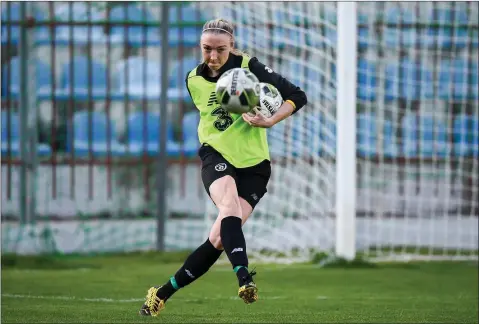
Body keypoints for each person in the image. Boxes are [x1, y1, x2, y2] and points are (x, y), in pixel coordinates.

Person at [139, 18, 307, 316]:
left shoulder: (250, 67)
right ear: (200, 47)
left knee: (218, 238)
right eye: (207, 49)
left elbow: (297, 96)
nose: (213, 56)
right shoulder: (193, 79)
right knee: (228, 206)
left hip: (255, 164)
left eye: (220, 49)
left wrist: (269, 118)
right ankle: (244, 278)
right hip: (215, 154)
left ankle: (161, 293)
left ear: (232, 46)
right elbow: (211, 117)